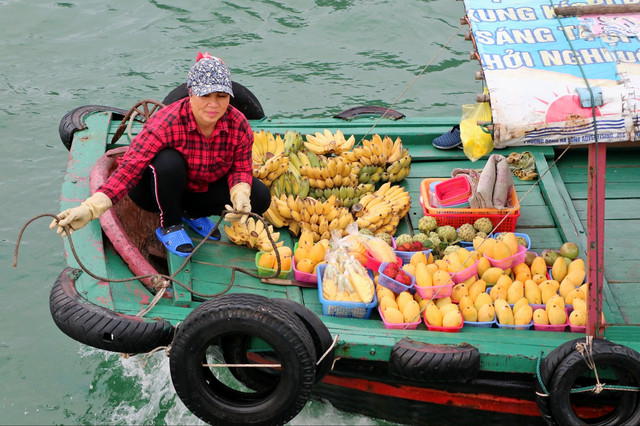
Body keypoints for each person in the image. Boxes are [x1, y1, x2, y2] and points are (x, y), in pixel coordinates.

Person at [50, 52, 271, 257]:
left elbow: (240, 168)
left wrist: (240, 193)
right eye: (205, 95)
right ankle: (171, 225)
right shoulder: (167, 121)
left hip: (197, 189)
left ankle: (191, 214)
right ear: (191, 93)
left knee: (260, 197)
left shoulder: (238, 124)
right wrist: (90, 209)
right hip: (155, 191)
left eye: (221, 96)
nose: (214, 104)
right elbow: (129, 169)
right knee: (168, 162)